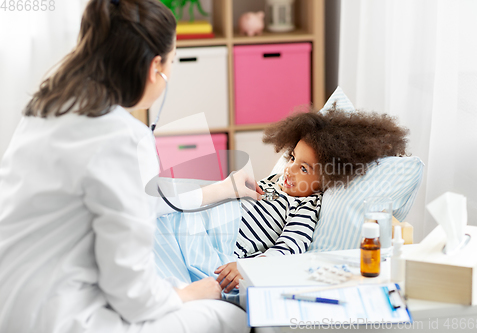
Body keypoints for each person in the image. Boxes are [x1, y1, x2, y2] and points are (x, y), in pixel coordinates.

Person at [0, 1, 260, 332]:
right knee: (234, 317)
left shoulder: (46, 106)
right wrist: (199, 291)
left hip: (9, 305)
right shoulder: (122, 138)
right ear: (155, 68)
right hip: (64, 320)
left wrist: (225, 188)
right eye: (172, 60)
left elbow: (151, 196)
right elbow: (135, 296)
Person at [214, 107, 409, 292]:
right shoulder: (274, 181)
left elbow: (290, 247)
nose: (289, 169)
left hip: (220, 252)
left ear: (327, 180)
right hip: (210, 223)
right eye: (292, 158)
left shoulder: (306, 206)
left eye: (304, 168)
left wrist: (249, 267)